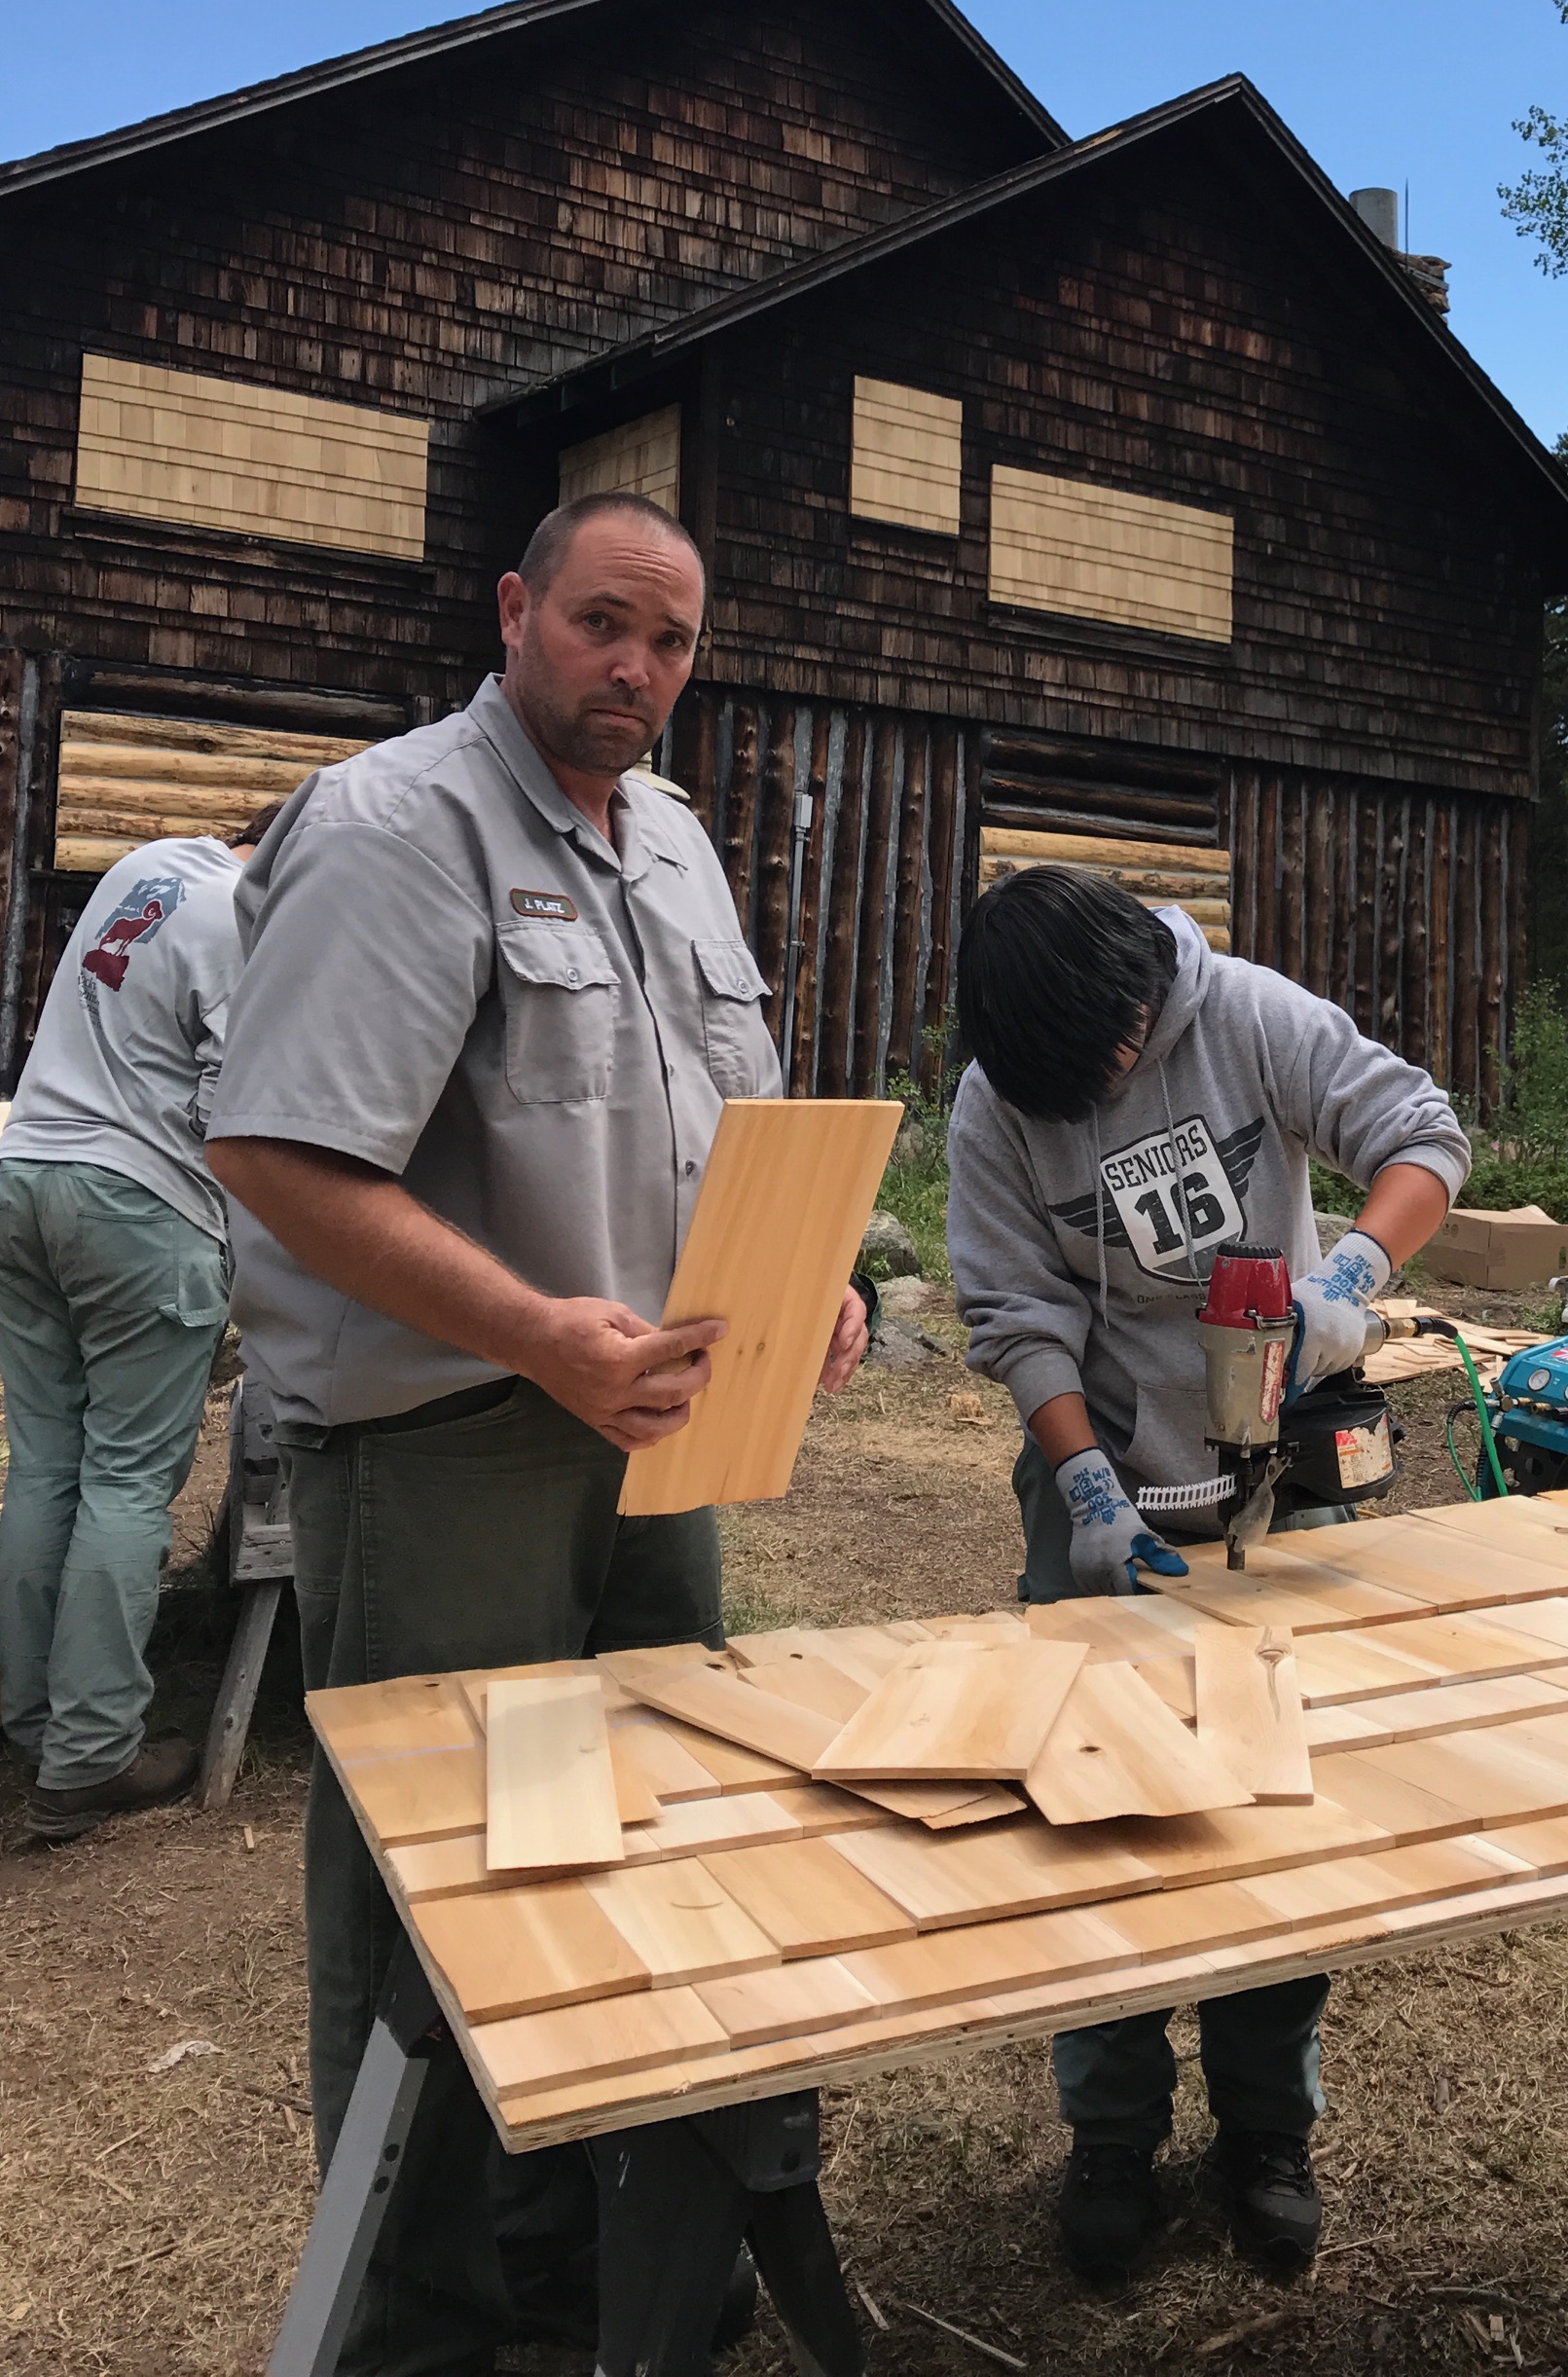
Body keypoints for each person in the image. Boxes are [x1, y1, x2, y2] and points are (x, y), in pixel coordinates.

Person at [205, 492, 868, 2377]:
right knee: (437, 1900)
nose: (634, 672)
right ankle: (417, 2326)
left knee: (652, 1842)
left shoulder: (669, 844)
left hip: (653, 1429)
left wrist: (808, 1272)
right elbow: (271, 1150)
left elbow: (713, 1125)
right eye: (600, 625)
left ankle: (606, 2263)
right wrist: (533, 1336)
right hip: (443, 1447)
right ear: (515, 611)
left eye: (669, 642)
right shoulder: (402, 827)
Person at [946, 866, 1470, 2286]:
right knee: (1092, 1808)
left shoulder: (1246, 1016)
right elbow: (1014, 1312)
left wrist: (1351, 1272)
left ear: (1142, 995)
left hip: (1269, 1478)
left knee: (1270, 1814)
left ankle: (1265, 2133)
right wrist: (1085, 1484)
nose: (1102, 1088)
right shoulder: (998, 1101)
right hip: (1109, 1477)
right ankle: (1111, 2135)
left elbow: (1422, 1134)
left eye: (1116, 1058)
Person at [0, 800, 279, 1843]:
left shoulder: (147, 868)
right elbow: (240, 1119)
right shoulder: (252, 920)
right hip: (136, 1209)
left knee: (44, 1465)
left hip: (25, 1172)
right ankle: (89, 1756)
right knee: (125, 1478)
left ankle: (29, 1713)